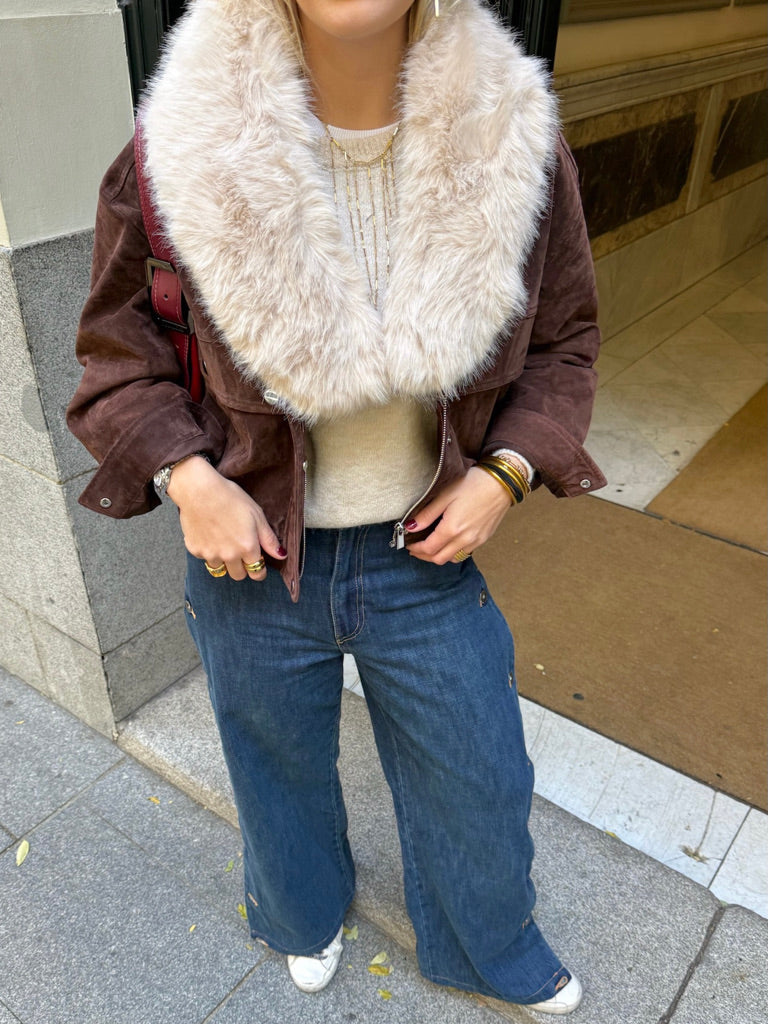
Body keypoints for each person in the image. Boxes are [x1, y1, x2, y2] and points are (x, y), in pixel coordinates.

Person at [68, 0, 605, 1013]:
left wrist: (508, 472)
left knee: (478, 768)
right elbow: (115, 356)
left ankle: (487, 937)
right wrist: (191, 480)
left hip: (425, 554)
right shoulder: (179, 143)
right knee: (274, 762)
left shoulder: (513, 138)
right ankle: (298, 911)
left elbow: (566, 340)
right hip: (253, 554)